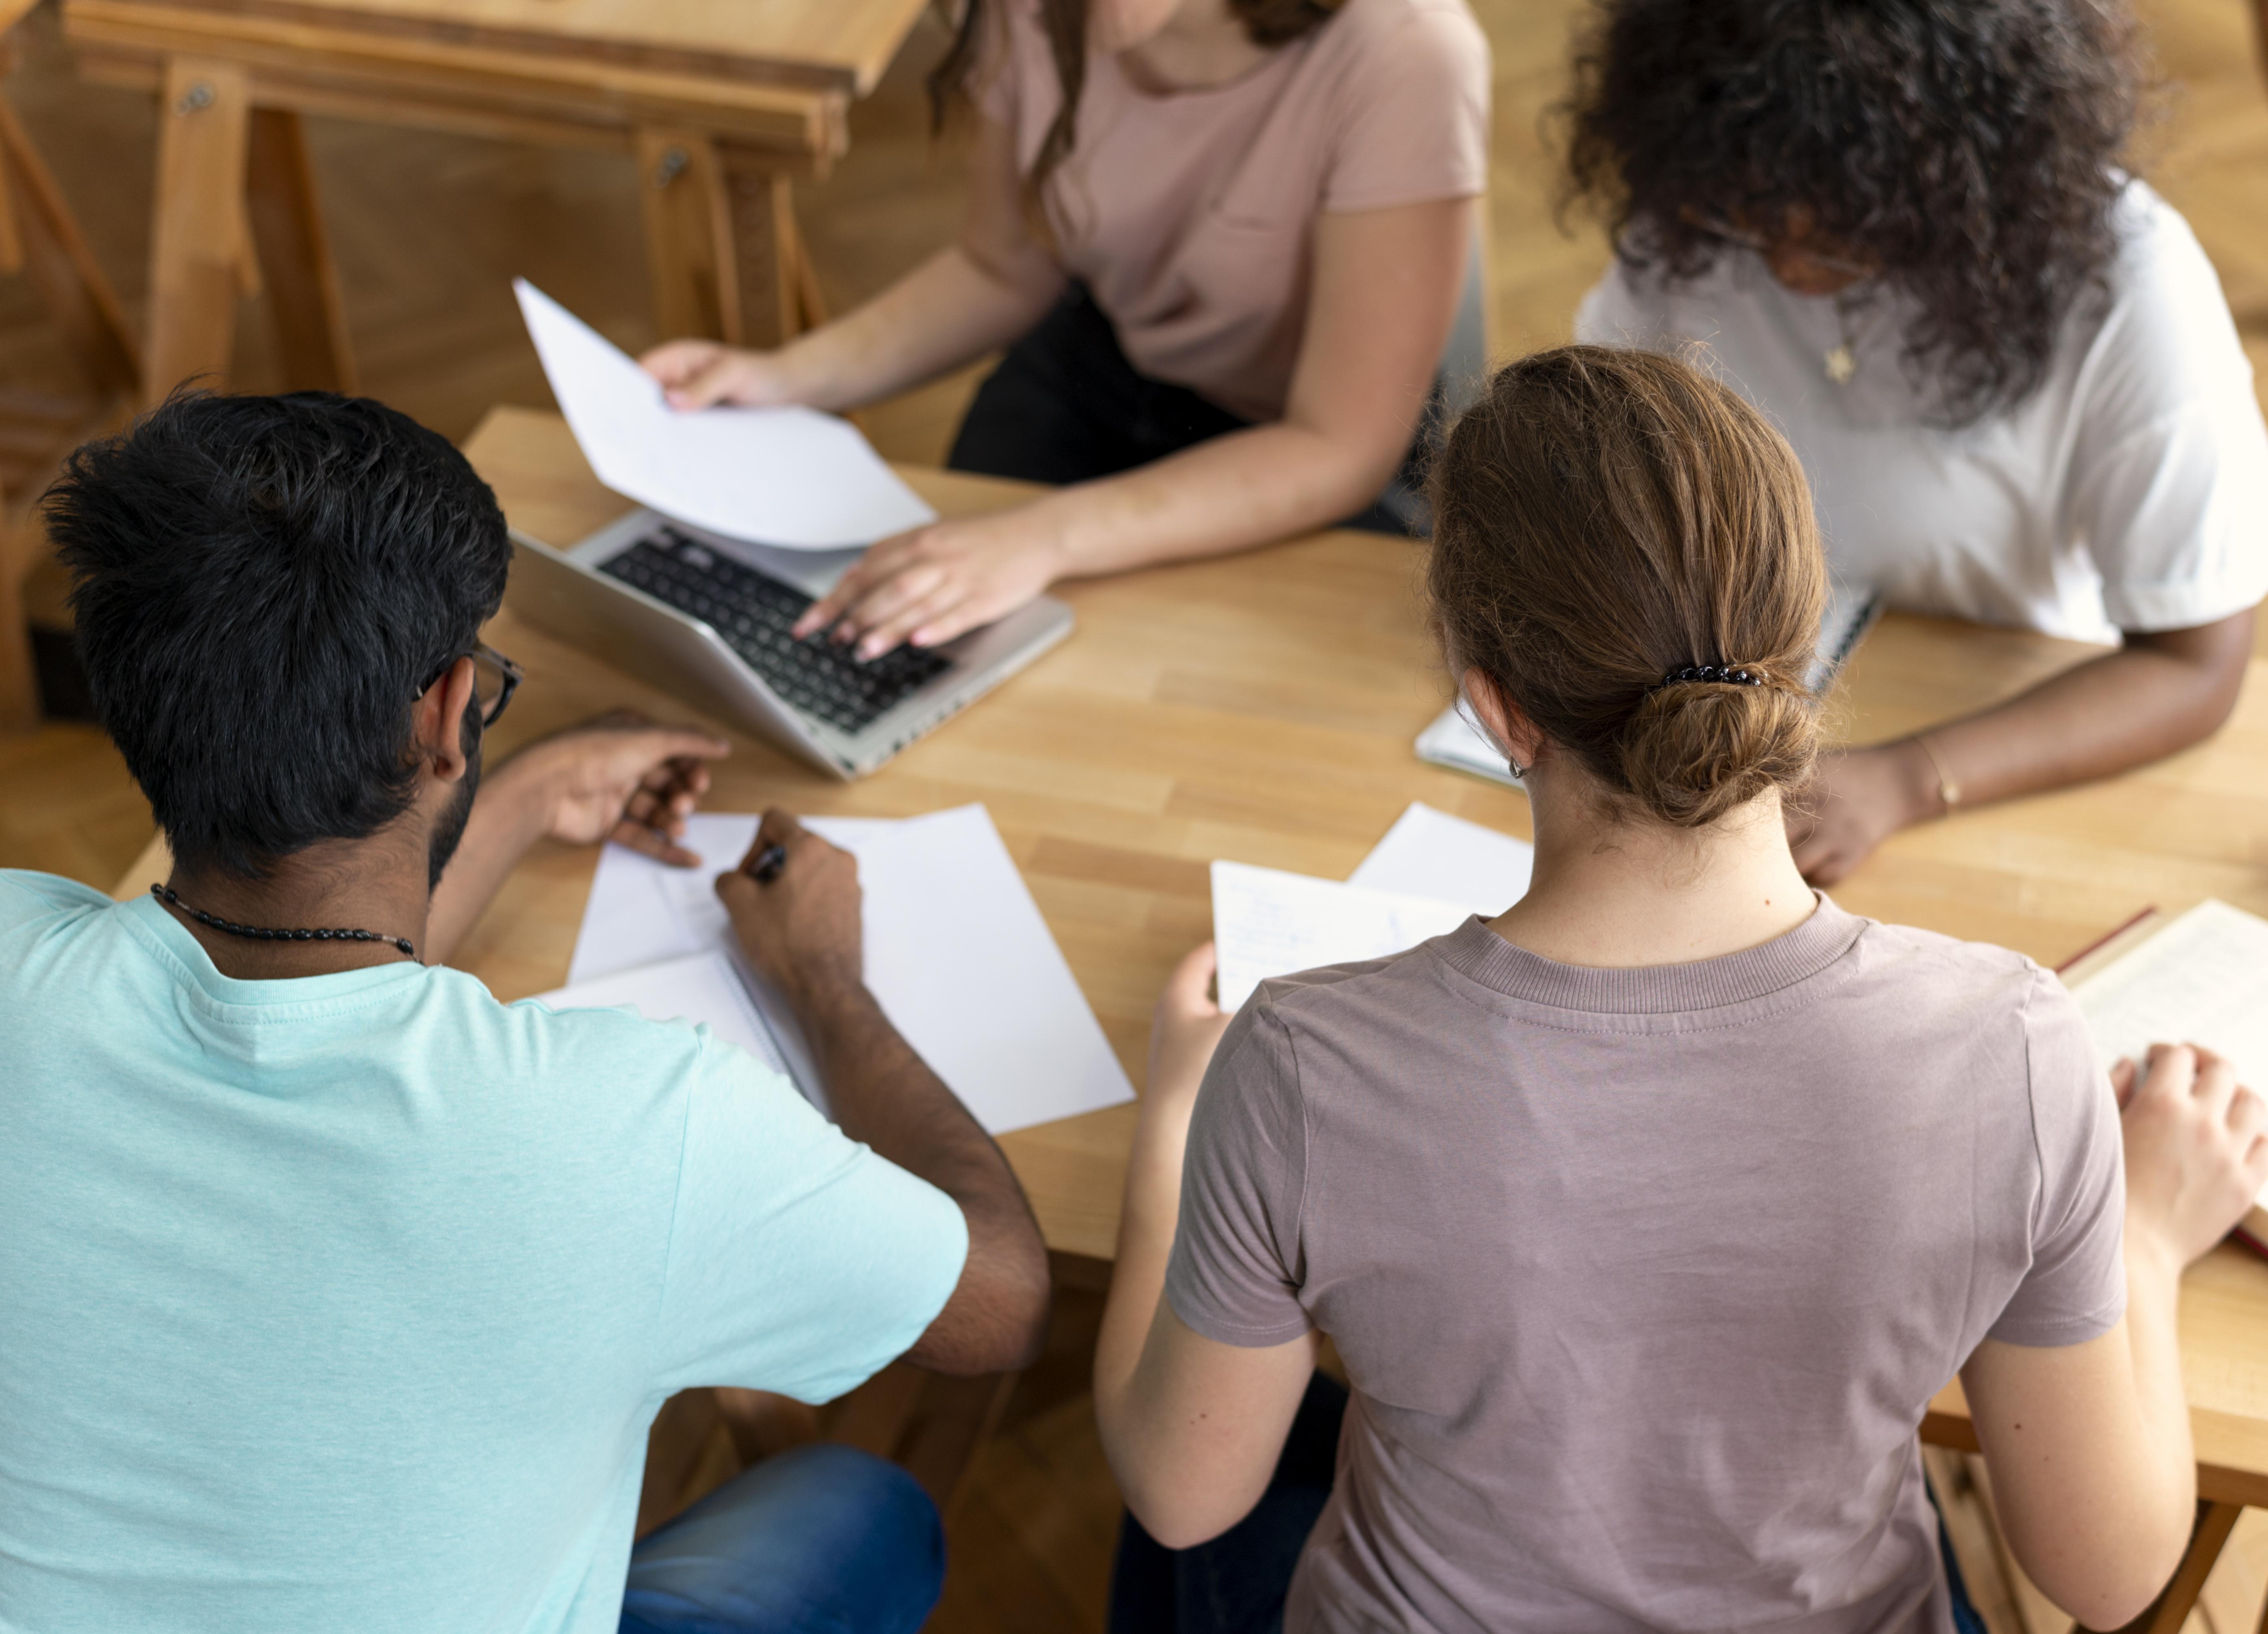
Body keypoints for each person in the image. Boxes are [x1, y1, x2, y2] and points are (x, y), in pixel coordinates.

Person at [1092, 347, 2268, 1634]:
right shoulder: (2013, 1048)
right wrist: (2145, 1242)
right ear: (1802, 649)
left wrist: (1172, 1126)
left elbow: (1182, 1492)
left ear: (1494, 707)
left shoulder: (1297, 1067)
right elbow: (2109, 1576)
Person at [0, 391, 1051, 1634]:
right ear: (447, 712)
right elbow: (997, 1304)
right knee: (858, 1505)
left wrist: (537, 786)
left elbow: (295, 973)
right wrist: (825, 977)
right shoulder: (636, 1127)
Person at [1559, 0, 2268, 884]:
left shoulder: (2125, 284)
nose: (1785, 265)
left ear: (1960, 171)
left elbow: (2193, 664)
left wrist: (1904, 777)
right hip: (1734, 738)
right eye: (1755, 215)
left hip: (1999, 754)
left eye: (1840, 229)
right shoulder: (1695, 226)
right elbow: (1590, 498)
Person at [639, 0, 1489, 660]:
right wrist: (787, 374)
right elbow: (1003, 267)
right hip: (1101, 365)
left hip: (1305, 446)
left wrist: (1045, 537)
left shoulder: (1405, 53)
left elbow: (1337, 444)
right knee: (932, 628)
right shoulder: (1032, 13)